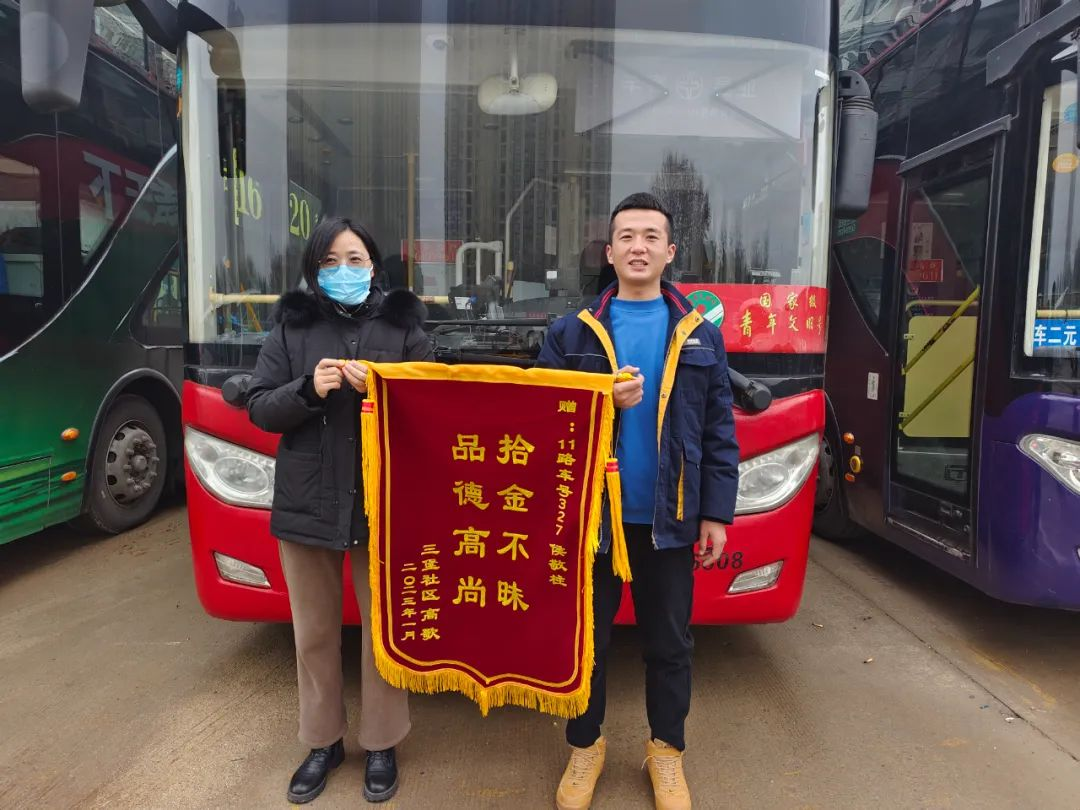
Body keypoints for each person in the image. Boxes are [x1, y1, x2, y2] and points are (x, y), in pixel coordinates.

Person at [537, 193, 739, 810]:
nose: (638, 247)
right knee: (586, 643)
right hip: (592, 521)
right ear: (610, 251)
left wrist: (716, 514)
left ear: (670, 251)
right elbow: (541, 417)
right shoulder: (572, 332)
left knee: (669, 645)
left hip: (669, 520)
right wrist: (601, 397)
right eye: (627, 236)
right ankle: (585, 747)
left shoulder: (700, 336)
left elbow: (718, 430)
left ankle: (666, 752)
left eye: (651, 236)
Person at [246, 216, 434, 804]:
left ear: (374, 266)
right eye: (329, 262)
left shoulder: (404, 325)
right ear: (313, 270)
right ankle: (323, 742)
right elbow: (260, 407)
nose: (343, 271)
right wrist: (309, 389)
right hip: (307, 503)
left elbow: (433, 404)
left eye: (355, 260)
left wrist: (385, 388)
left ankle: (382, 742)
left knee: (385, 633)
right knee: (314, 633)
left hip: (383, 504)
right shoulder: (292, 327)